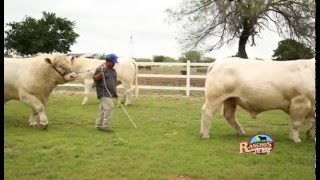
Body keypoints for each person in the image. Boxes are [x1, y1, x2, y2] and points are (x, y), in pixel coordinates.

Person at [92, 53, 119, 132]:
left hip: (111, 93)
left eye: (114, 62)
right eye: (113, 62)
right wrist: (100, 75)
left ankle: (99, 125)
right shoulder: (100, 69)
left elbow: (114, 83)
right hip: (103, 92)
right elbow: (94, 78)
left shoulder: (113, 71)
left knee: (103, 109)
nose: (114, 64)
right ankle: (105, 125)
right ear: (108, 61)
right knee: (109, 107)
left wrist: (115, 93)